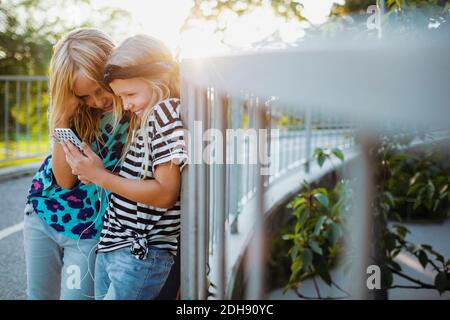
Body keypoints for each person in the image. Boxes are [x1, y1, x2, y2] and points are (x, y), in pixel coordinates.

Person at [61, 34, 188, 300]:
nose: (126, 105)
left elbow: (165, 193)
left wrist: (100, 176)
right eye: (121, 96)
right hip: (115, 245)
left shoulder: (163, 114)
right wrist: (95, 171)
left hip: (138, 252)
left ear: (160, 81)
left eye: (130, 94)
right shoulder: (148, 117)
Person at [24, 28, 129, 300]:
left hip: (89, 229)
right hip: (43, 211)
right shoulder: (78, 113)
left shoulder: (134, 106)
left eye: (99, 89)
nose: (97, 101)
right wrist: (61, 120)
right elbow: (65, 180)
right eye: (84, 96)